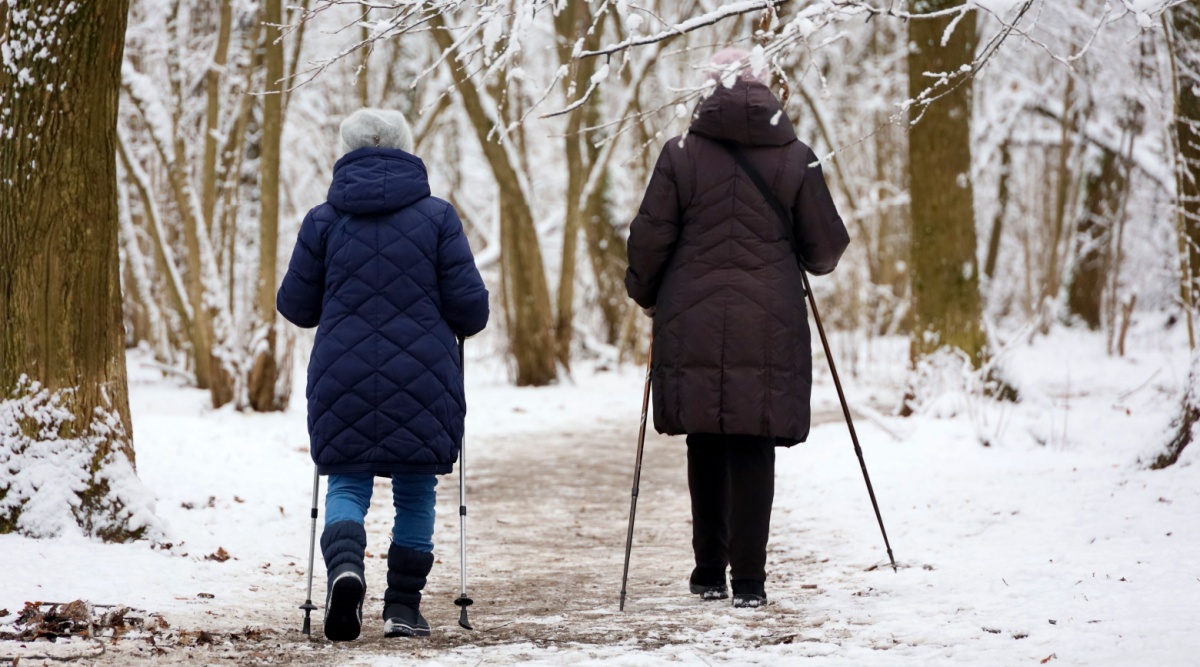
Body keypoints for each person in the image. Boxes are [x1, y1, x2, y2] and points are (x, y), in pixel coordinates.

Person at [624, 50, 850, 608]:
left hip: (691, 313)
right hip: (769, 317)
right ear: (767, 92)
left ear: (707, 93)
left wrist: (646, 293)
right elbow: (824, 252)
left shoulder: (679, 154)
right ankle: (749, 581)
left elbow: (649, 240)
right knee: (753, 441)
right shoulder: (798, 157)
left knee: (705, 439)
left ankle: (707, 573)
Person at [277, 108, 489, 640]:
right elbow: (472, 311)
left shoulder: (323, 219)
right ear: (405, 148)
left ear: (346, 152)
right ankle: (401, 607)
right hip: (424, 375)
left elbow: (296, 306)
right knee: (416, 489)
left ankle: (346, 570)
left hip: (341, 372)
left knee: (346, 480)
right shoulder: (438, 217)